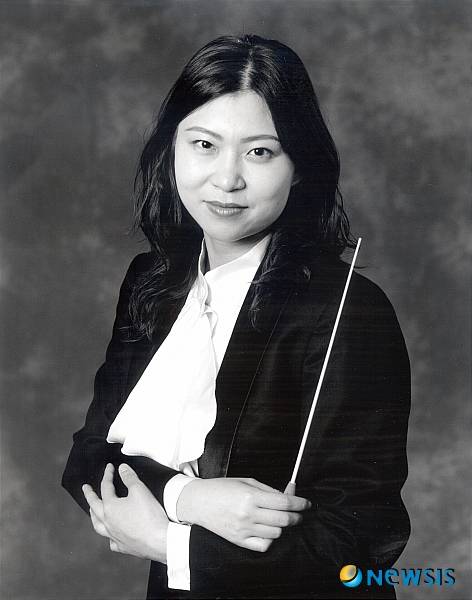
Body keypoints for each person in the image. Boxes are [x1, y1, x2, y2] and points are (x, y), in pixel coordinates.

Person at [62, 34, 410, 599]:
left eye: (260, 152)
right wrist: (189, 499)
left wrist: (172, 545)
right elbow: (87, 457)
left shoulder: (351, 310)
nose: (227, 180)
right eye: (204, 144)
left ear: (300, 167)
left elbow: (362, 545)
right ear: (171, 149)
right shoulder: (151, 281)